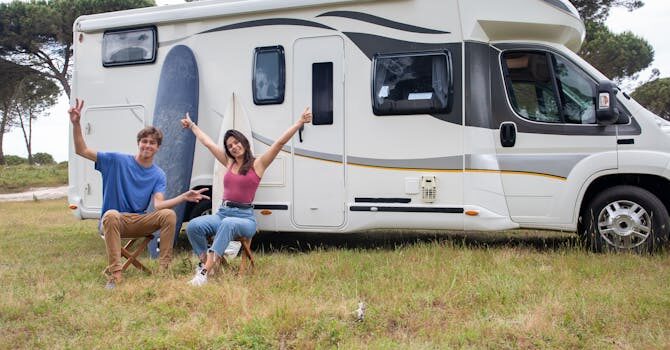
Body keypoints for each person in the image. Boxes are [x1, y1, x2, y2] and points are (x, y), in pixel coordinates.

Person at [68, 98, 209, 289]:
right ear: (138, 143)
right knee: (110, 214)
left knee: (168, 214)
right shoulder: (116, 161)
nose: (147, 145)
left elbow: (159, 205)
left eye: (152, 143)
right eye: (144, 141)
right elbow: (81, 150)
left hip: (138, 221)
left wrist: (184, 197)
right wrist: (76, 123)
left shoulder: (158, 174)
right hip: (113, 221)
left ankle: (163, 270)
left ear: (158, 148)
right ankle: (115, 275)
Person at [181, 107, 312, 286]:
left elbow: (279, 143)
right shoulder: (228, 162)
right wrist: (193, 126)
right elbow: (209, 143)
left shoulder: (258, 164)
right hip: (223, 213)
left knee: (228, 224)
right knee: (193, 226)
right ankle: (206, 263)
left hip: (244, 218)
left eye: (236, 142)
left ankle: (204, 273)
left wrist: (299, 122)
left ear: (244, 142)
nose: (234, 147)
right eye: (229, 146)